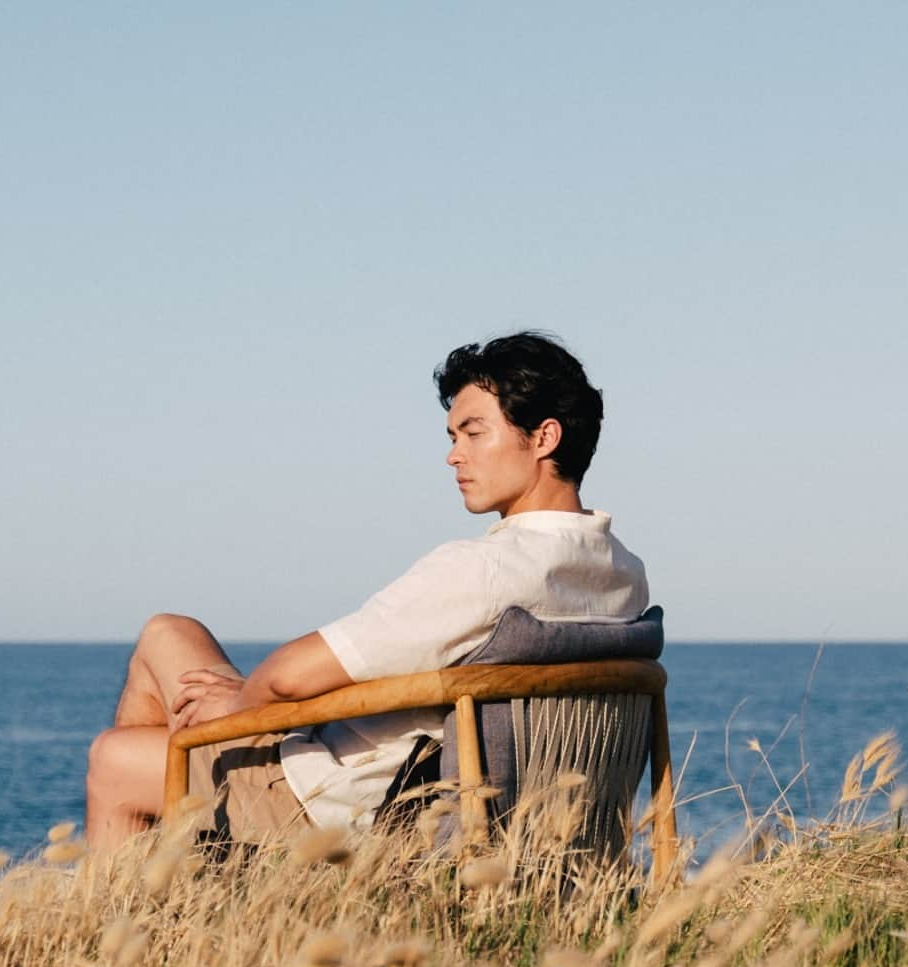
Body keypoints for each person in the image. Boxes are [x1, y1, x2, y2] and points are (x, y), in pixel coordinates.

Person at [85, 332, 649, 849]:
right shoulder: (621, 572)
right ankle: (174, 880)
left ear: (544, 436)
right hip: (441, 784)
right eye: (453, 436)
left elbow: (288, 677)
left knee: (115, 758)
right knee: (168, 632)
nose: (454, 454)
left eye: (474, 432)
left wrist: (234, 704)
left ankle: (128, 919)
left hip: (344, 804)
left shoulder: (484, 572)